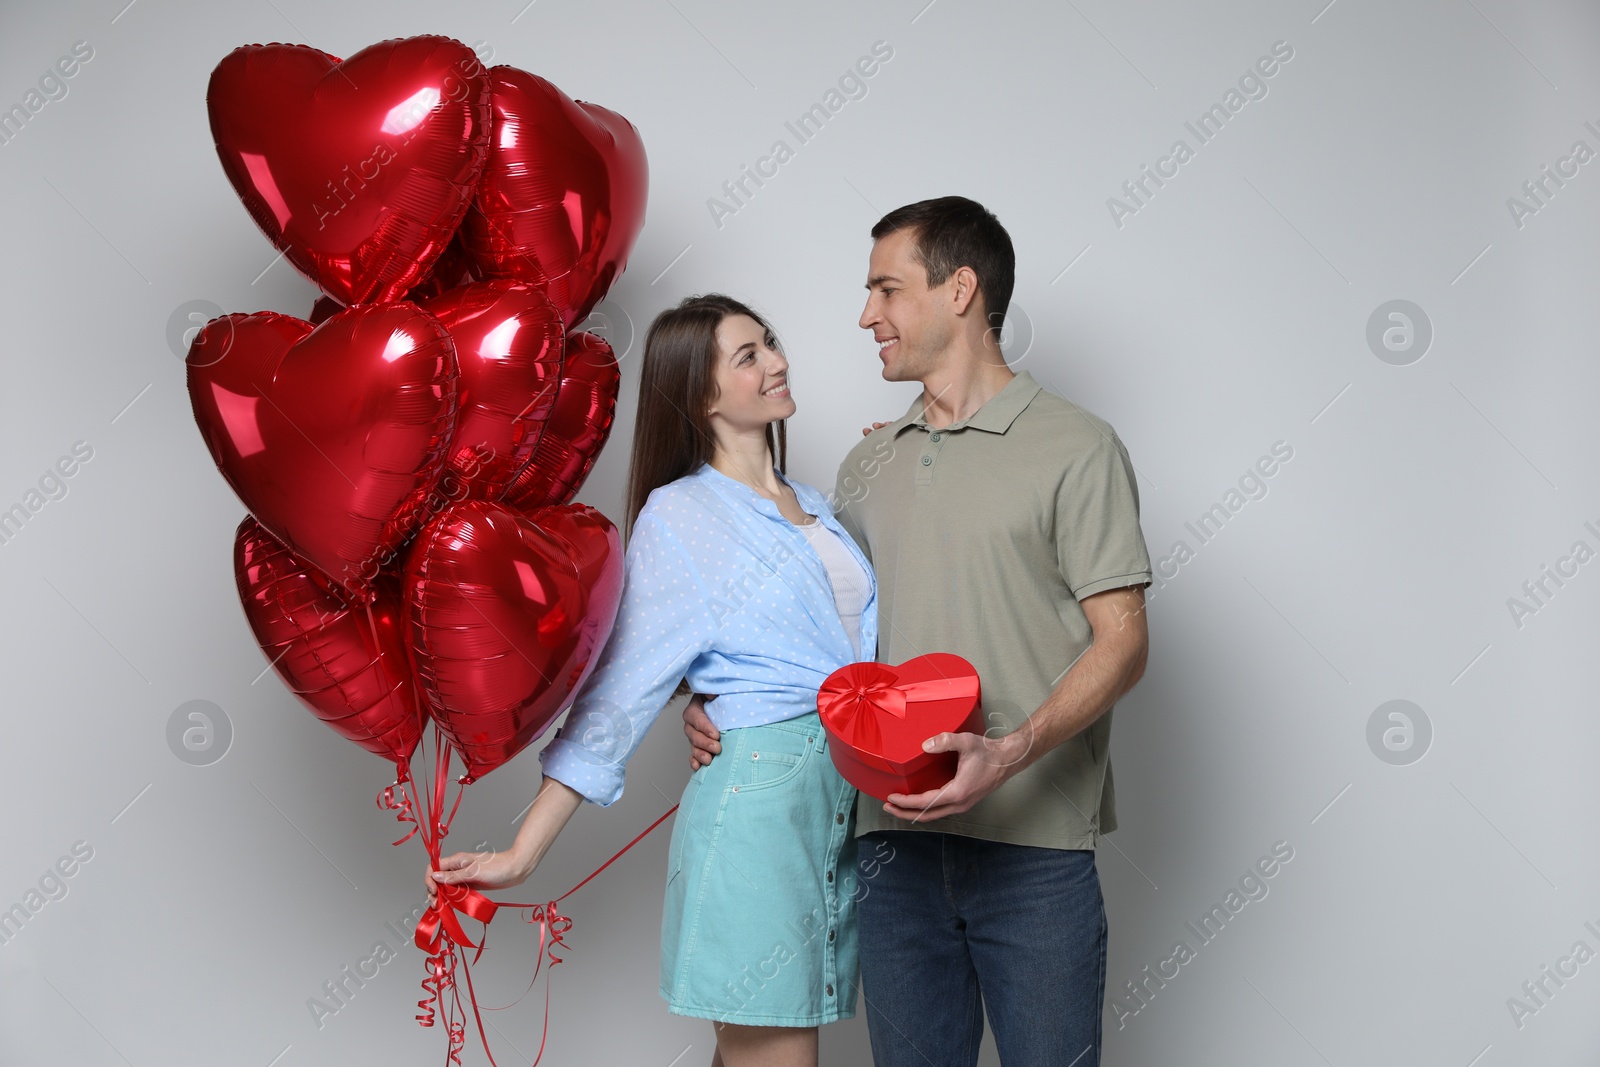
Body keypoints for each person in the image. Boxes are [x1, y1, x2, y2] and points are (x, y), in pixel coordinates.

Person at [685, 197, 1152, 1066]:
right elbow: (816, 631)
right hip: (889, 847)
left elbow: (1123, 642)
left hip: (1035, 852)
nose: (866, 314)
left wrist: (1008, 752)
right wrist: (713, 699)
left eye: (887, 290)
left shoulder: (1078, 447)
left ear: (960, 290)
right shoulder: (869, 462)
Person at [427, 293, 878, 1067]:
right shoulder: (681, 517)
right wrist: (522, 853)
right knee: (776, 1048)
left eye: (771, 341)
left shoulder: (819, 505)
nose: (777, 361)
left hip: (838, 809)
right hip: (757, 821)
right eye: (749, 356)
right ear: (701, 396)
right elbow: (617, 695)